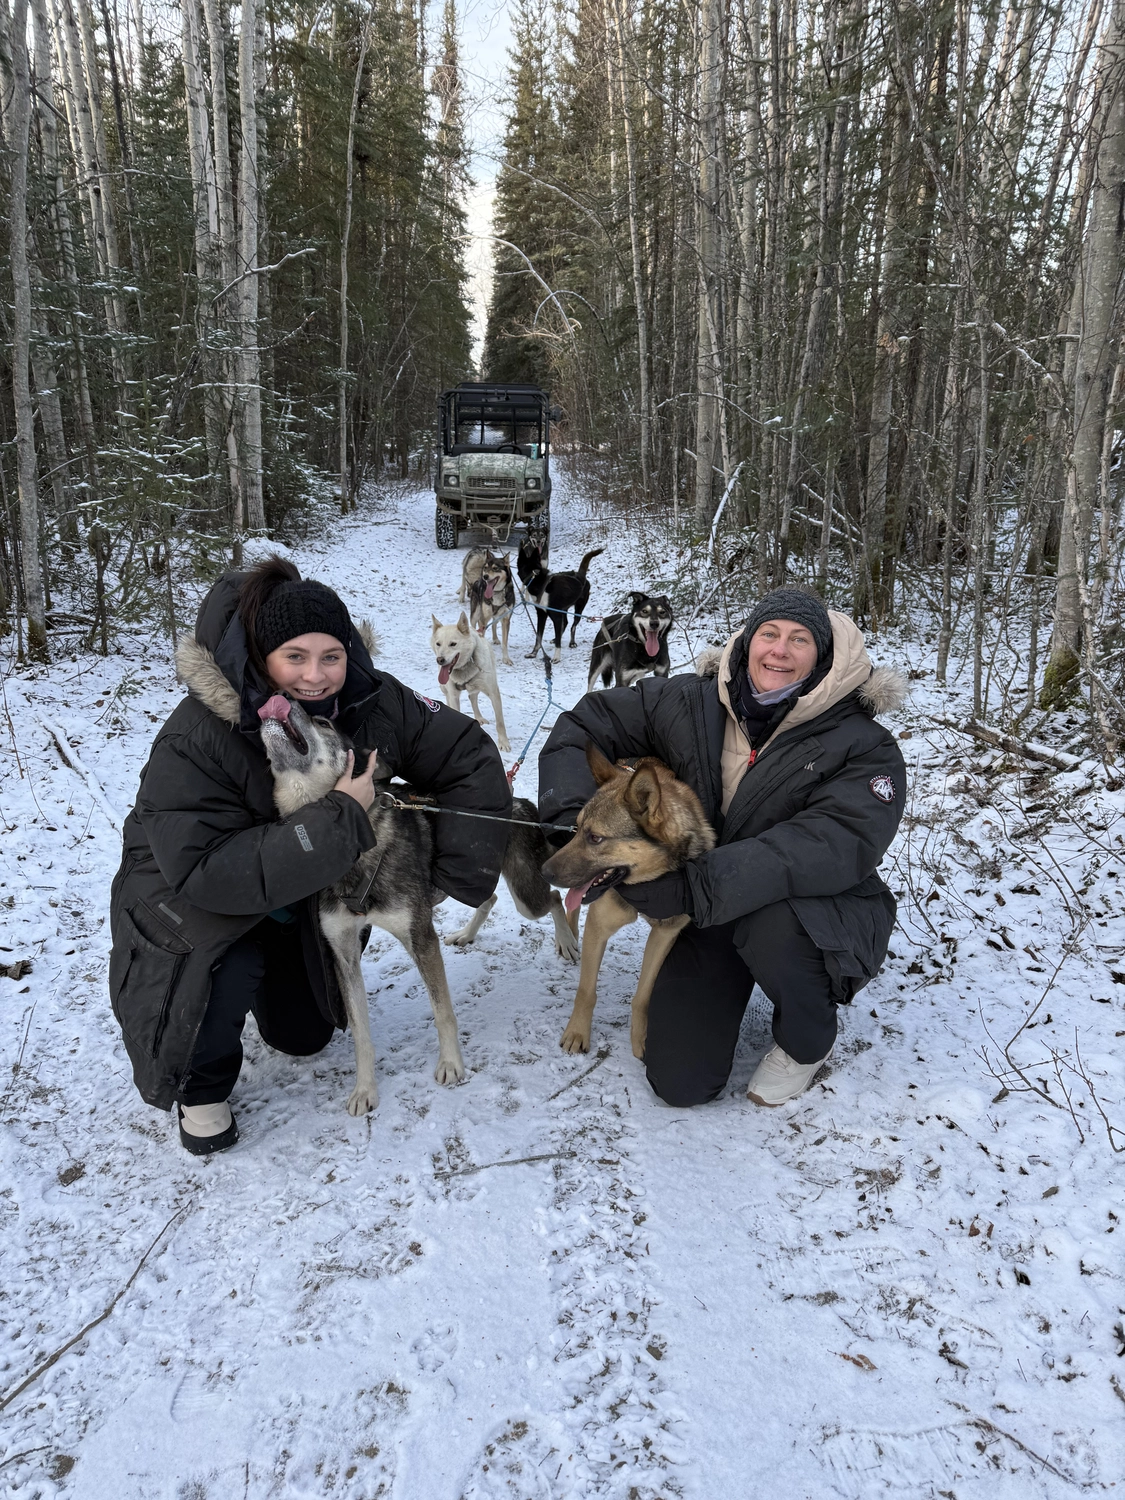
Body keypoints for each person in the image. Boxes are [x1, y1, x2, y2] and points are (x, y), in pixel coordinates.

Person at [110, 556, 510, 1154]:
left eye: (332, 656)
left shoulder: (372, 700)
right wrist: (342, 817)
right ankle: (202, 1086)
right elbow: (204, 872)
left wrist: (441, 878)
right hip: (191, 907)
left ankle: (279, 979)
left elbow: (470, 759)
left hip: (305, 892)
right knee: (222, 967)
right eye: (294, 657)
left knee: (302, 1035)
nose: (316, 677)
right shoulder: (196, 738)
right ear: (260, 656)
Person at [538, 587, 907, 1108]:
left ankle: (806, 1043)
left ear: (821, 656)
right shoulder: (690, 699)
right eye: (769, 634)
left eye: (799, 640)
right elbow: (583, 723)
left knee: (774, 927)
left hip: (796, 907)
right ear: (748, 642)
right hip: (702, 907)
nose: (780, 650)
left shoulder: (863, 746)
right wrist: (575, 817)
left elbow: (829, 844)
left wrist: (691, 887)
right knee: (681, 1082)